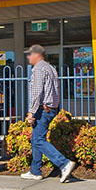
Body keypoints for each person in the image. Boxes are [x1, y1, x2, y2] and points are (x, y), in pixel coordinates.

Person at [21, 45, 76, 182]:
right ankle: (35, 171)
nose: (28, 57)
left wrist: (31, 112)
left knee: (38, 139)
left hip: (42, 109)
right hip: (51, 108)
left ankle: (64, 164)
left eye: (29, 54)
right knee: (36, 139)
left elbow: (37, 92)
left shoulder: (39, 69)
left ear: (37, 55)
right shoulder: (51, 68)